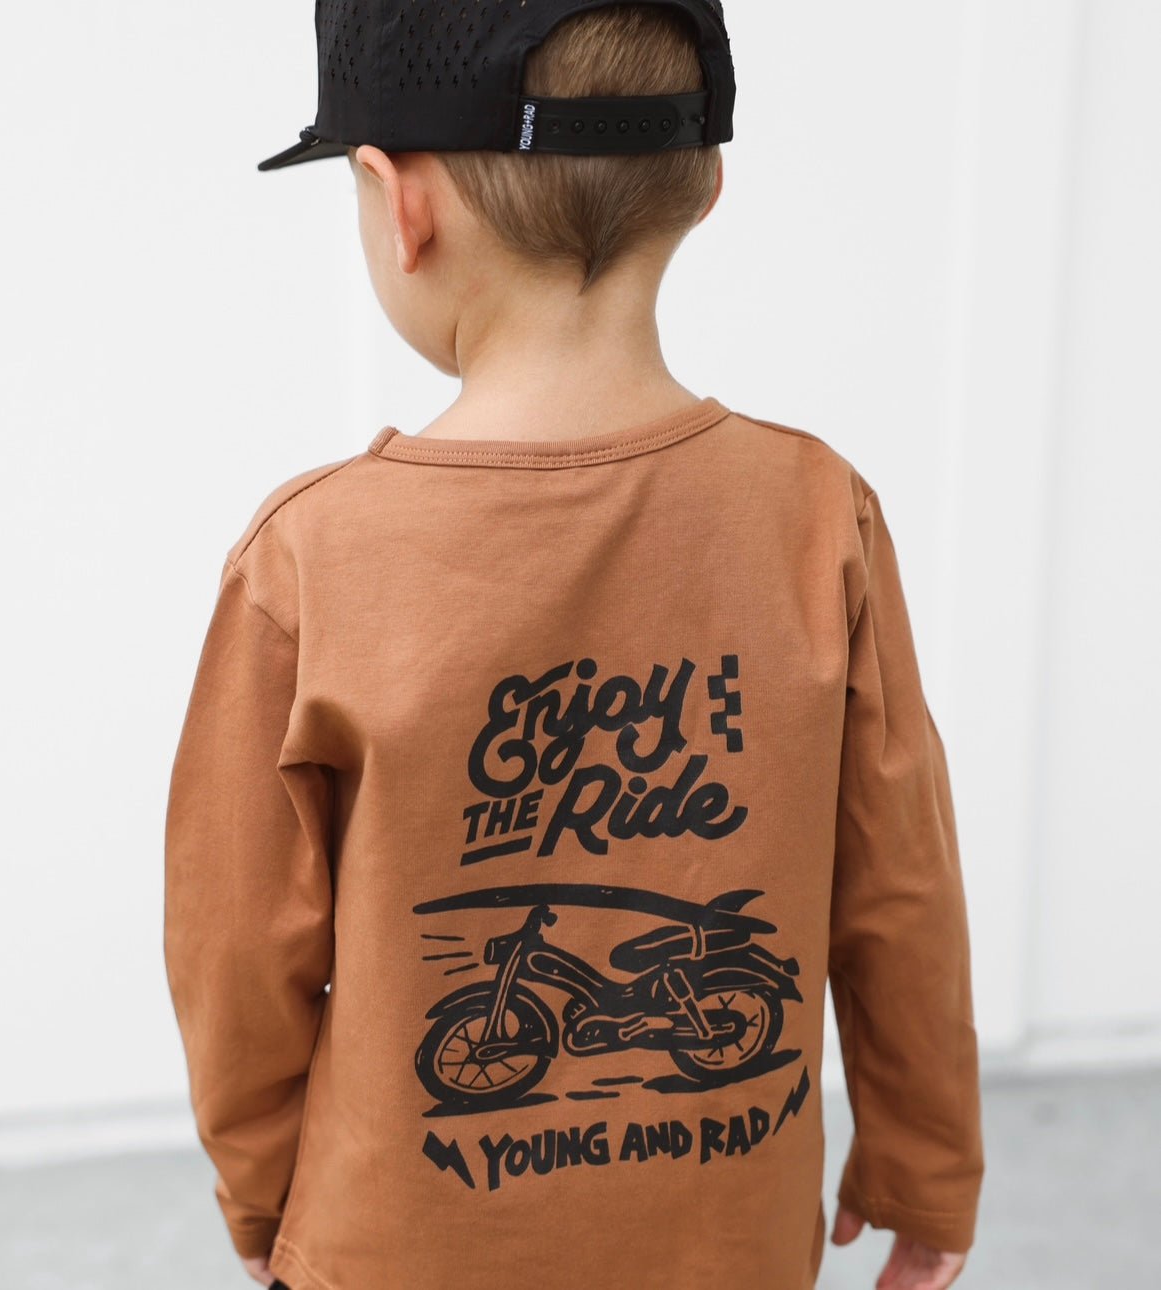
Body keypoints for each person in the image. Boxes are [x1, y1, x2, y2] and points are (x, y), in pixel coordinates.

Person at [163, 2, 985, 1288]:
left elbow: (236, 955)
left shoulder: (309, 560)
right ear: (704, 185)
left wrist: (269, 1209)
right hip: (735, 1246)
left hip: (397, 1254)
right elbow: (900, 889)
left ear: (399, 204)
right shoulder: (819, 516)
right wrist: (926, 1167)